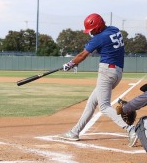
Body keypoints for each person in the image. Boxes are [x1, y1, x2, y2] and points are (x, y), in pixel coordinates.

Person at [58, 13, 136, 144]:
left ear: (99, 26)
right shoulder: (114, 29)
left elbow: (83, 55)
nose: (91, 32)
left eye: (93, 29)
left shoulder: (100, 38)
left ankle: (131, 129)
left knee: (104, 106)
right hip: (117, 72)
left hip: (107, 71)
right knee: (92, 102)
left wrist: (70, 63)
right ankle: (75, 132)